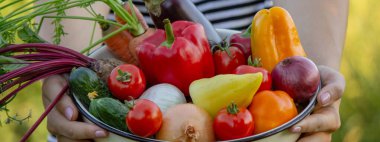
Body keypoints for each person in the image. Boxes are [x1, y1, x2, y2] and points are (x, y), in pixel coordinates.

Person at [40, 0, 347, 141]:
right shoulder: (146, 51)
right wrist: (68, 72)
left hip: (250, 64)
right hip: (118, 116)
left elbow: (311, 35)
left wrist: (313, 100)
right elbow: (67, 14)